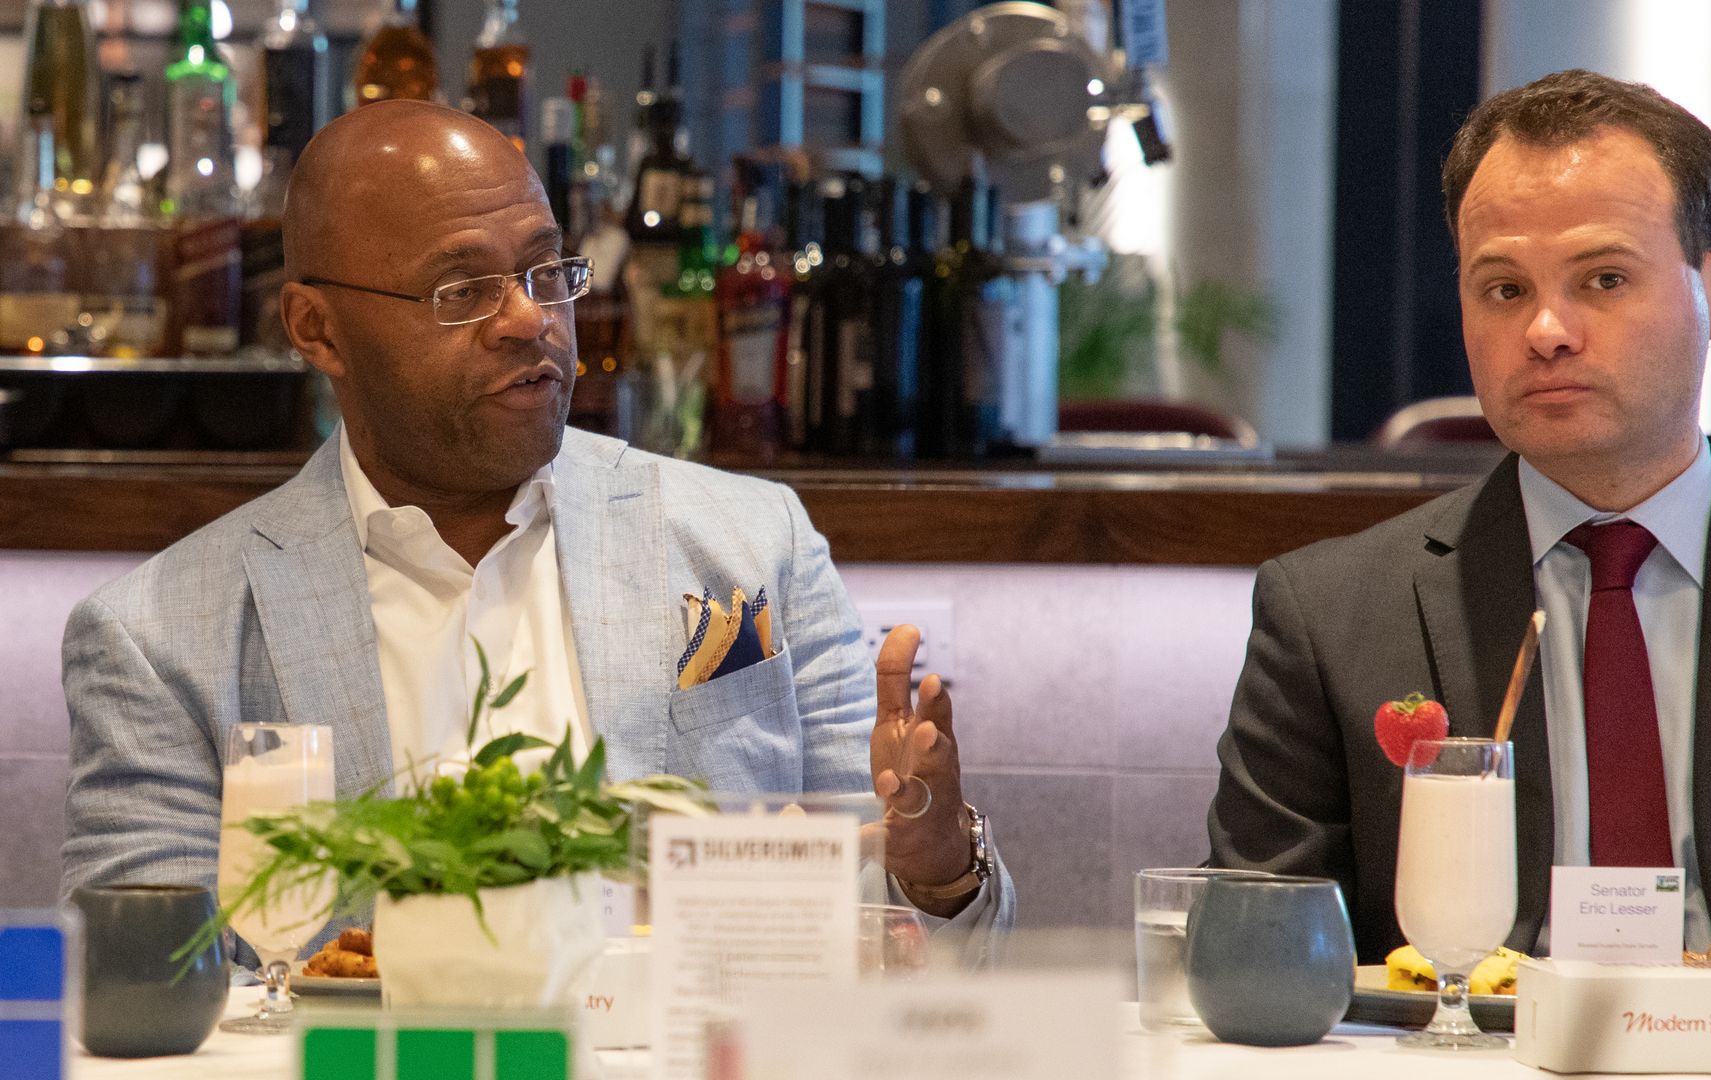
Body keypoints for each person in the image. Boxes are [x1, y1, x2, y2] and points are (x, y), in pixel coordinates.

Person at [61, 101, 1010, 957]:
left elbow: (930, 949)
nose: (532, 321)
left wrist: (935, 870)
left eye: (545, 271)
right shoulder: (159, 639)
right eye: (461, 291)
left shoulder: (750, 539)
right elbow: (141, 982)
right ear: (317, 330)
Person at [1208, 69, 1711, 966]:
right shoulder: (1328, 616)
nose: (1547, 329)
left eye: (1605, 278)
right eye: (1503, 289)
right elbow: (1251, 961)